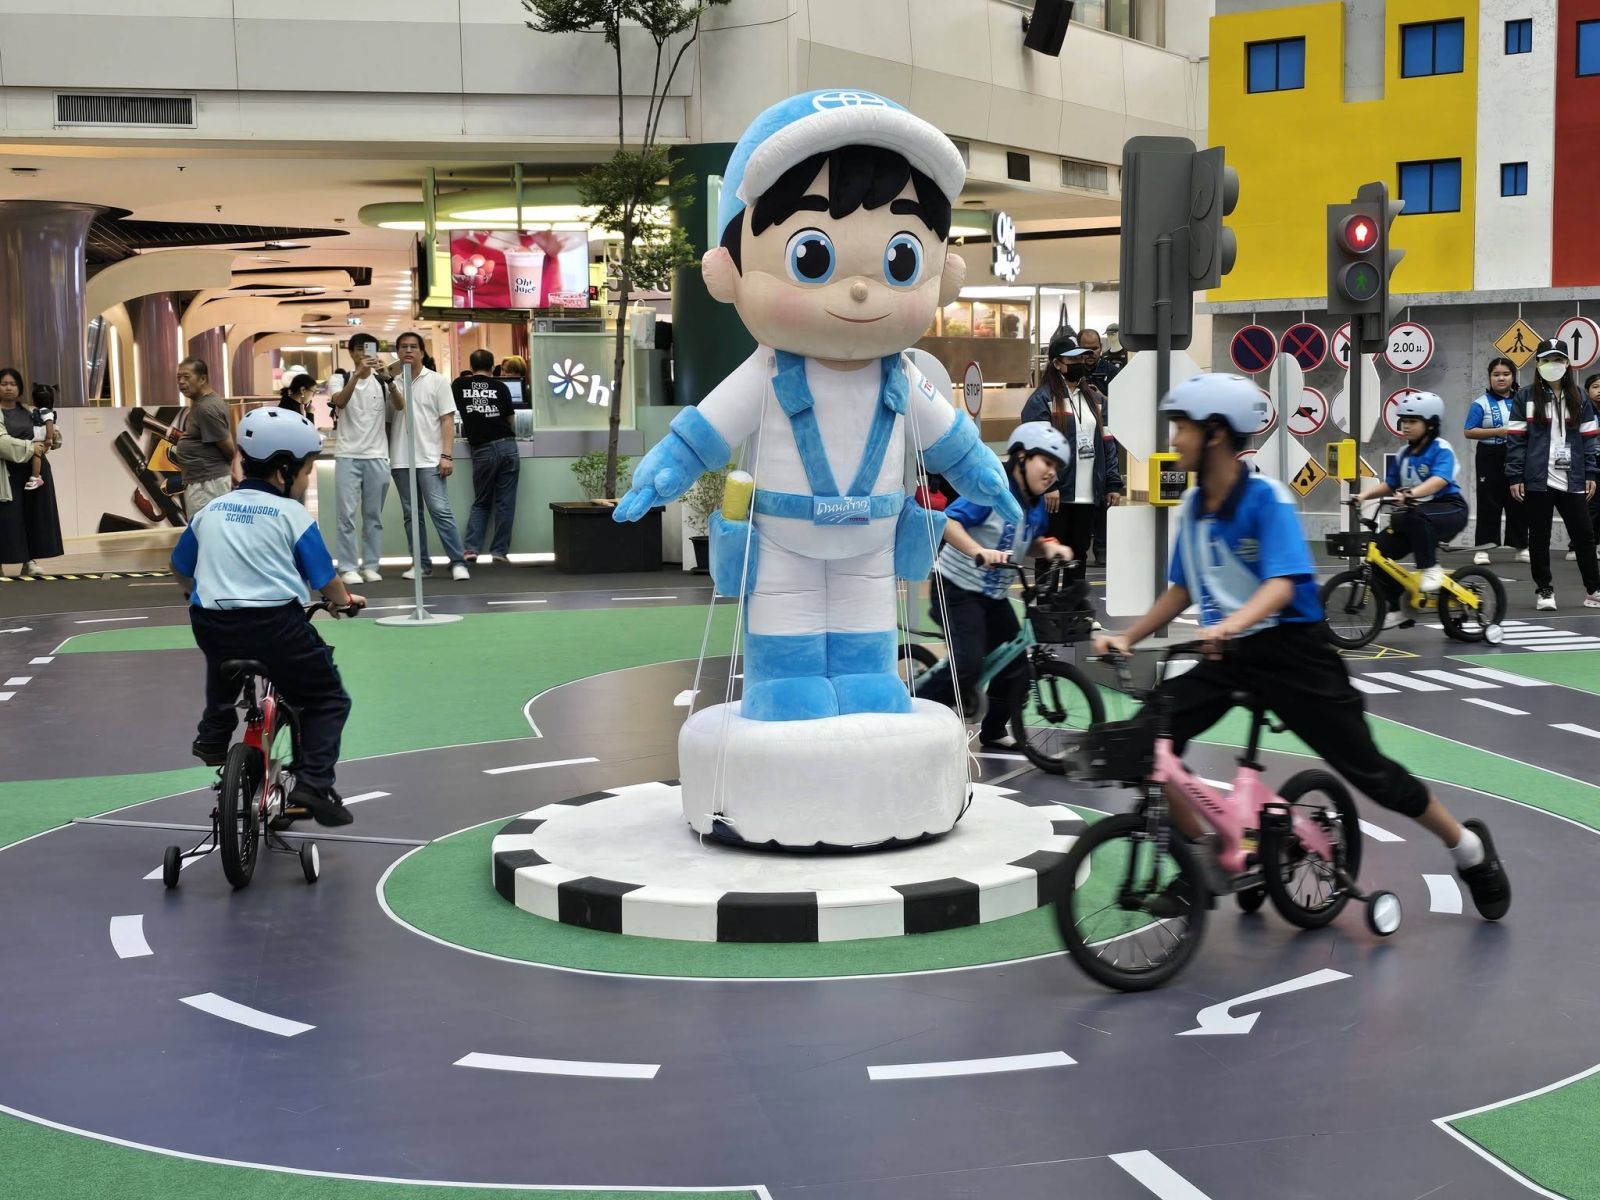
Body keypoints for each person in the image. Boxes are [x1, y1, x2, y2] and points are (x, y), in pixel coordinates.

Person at [1095, 372, 1510, 921]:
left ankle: (1468, 847)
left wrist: (1231, 623)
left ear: (1215, 433)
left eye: (1182, 427)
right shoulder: (1194, 506)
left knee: (1371, 772)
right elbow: (1182, 588)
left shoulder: (1265, 499)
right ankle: (1204, 860)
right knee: (1141, 744)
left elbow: (1284, 583)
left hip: (1293, 653)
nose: (1174, 439)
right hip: (1228, 656)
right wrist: (1127, 636)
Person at [171, 407, 364, 826]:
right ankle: (313, 785)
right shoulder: (292, 515)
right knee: (326, 699)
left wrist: (196, 592)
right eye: (307, 471)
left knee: (222, 658)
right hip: (276, 626)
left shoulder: (211, 510)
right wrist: (345, 601)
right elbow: (325, 580)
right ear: (283, 471)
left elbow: (181, 565)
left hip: (212, 622)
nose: (307, 480)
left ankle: (214, 732)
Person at [915, 422, 1075, 749]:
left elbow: (1026, 541)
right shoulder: (991, 490)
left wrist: (1048, 548)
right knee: (968, 664)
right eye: (1046, 462)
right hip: (957, 589)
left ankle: (994, 730)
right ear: (1021, 457)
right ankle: (912, 713)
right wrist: (978, 550)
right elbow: (949, 523)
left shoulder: (1035, 504)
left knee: (1016, 664)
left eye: (1057, 468)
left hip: (994, 596)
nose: (1051, 473)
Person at [1354, 392, 1470, 626]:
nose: (1405, 426)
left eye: (1413, 421)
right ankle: (1400, 607)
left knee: (1417, 516)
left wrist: (1411, 493)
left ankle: (1430, 569)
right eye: (1404, 421)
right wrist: (1363, 496)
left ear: (1430, 425)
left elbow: (1439, 480)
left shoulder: (1441, 448)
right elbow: (1390, 484)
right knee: (1376, 553)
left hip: (1450, 509)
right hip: (1416, 516)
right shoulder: (1404, 454)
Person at [1506, 338, 1600, 611]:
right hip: (1538, 479)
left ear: (1567, 363)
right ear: (1538, 364)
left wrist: (1591, 472)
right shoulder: (1525, 396)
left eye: (1558, 359)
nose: (1552, 364)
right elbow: (1516, 440)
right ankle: (1544, 590)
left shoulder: (1579, 397)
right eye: (1546, 360)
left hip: (1573, 478)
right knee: (1539, 537)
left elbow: (1589, 438)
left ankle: (1593, 589)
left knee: (1584, 536)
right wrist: (1515, 476)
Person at [1020, 332, 1123, 564]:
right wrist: (1049, 485)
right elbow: (1036, 448)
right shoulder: (1042, 399)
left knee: (1078, 556)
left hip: (1088, 494)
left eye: (1081, 358)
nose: (1079, 363)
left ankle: (1074, 591)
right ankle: (1050, 591)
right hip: (1056, 495)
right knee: (1050, 559)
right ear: (1057, 363)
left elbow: (1108, 444)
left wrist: (1112, 483)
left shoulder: (1094, 399)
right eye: (1072, 359)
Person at [387, 330, 470, 581]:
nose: (408, 350)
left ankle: (458, 562)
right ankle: (421, 564)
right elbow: (389, 423)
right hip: (401, 459)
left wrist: (447, 455)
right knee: (411, 515)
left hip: (430, 458)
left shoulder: (437, 381)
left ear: (422, 352)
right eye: (403, 346)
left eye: (413, 346)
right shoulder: (391, 383)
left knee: (440, 510)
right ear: (397, 352)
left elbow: (447, 420)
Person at [331, 334, 401, 585]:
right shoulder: (339, 378)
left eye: (369, 349)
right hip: (347, 455)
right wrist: (357, 376)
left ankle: (371, 565)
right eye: (359, 349)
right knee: (346, 515)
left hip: (377, 455)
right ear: (351, 352)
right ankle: (348, 567)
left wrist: (389, 379)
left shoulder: (382, 381)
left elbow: (400, 406)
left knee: (373, 516)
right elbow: (340, 401)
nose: (364, 354)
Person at [453, 347, 520, 564]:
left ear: (471, 366)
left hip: (482, 450)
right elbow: (510, 419)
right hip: (507, 446)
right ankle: (499, 551)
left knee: (481, 502)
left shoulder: (459, 385)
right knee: (505, 503)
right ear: (493, 367)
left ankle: (471, 549)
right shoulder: (501, 386)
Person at [1464, 357, 1528, 566]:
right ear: (1490, 377)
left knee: (1519, 499)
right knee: (1488, 502)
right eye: (1496, 374)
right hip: (1489, 455)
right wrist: (1498, 431)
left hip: (1518, 454)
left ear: (1513, 377)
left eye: (1506, 374)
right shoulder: (1480, 403)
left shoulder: (1523, 400)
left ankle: (1521, 547)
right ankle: (1483, 549)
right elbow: (1469, 431)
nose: (1501, 378)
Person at [0, 368, 50, 576]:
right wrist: (31, 447)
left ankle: (29, 561)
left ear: (19, 388)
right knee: (7, 519)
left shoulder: (30, 411)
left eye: (13, 384)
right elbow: (2, 443)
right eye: (4, 384)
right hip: (6, 474)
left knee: (31, 516)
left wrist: (51, 437)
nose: (8, 388)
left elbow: (47, 433)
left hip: (32, 473)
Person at [173, 357, 236, 516]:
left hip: (207, 485)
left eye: (186, 377)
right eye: (178, 377)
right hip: (204, 481)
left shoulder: (206, 408)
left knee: (205, 527)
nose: (181, 382)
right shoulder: (201, 403)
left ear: (202, 379)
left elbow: (229, 451)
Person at [22, 382, 57, 492]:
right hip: (37, 439)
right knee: (35, 455)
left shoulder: (47, 413)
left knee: (36, 455)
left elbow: (50, 425)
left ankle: (36, 477)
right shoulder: (37, 411)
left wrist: (49, 438)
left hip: (42, 440)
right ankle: (35, 477)